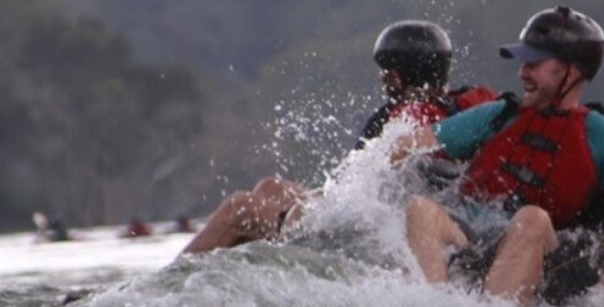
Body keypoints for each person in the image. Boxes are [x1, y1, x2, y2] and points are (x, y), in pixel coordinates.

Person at [391, 5, 604, 304]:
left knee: (532, 218)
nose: (522, 72)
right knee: (420, 208)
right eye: (523, 63)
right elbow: (406, 145)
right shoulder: (496, 116)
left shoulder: (602, 136)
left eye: (534, 64)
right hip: (470, 237)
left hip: (539, 251)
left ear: (573, 71)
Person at [181, 20, 494, 255]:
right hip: (436, 219)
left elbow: (365, 194)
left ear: (394, 76)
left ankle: (163, 288)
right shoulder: (466, 108)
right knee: (270, 187)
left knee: (241, 207)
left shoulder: (401, 121)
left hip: (378, 235)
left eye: (385, 71)